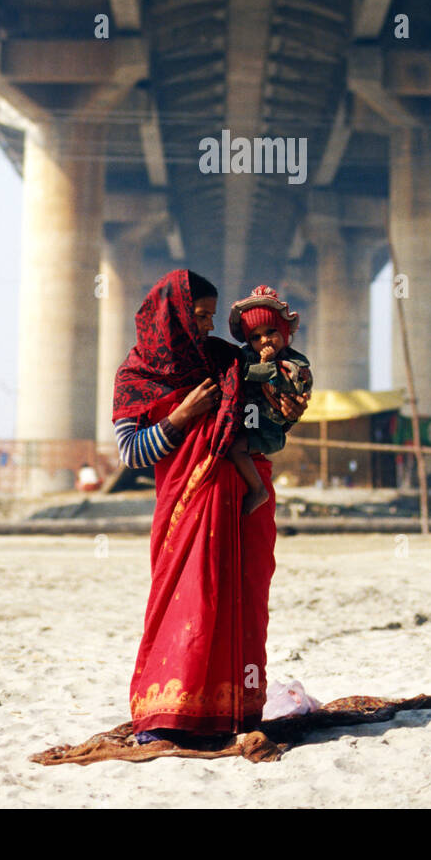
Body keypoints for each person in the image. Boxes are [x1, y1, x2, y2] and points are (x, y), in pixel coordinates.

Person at [112, 269, 308, 747]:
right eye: (198, 316)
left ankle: (235, 709)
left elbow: (273, 409)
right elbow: (132, 453)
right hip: (186, 505)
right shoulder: (136, 375)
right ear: (172, 315)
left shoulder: (224, 358)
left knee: (243, 599)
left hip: (244, 501)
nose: (205, 325)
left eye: (211, 316)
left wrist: (287, 381)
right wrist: (182, 417)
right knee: (191, 601)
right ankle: (169, 714)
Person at [226, 285, 313, 515]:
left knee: (236, 448)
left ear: (285, 333)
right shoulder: (245, 358)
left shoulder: (296, 365)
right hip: (250, 419)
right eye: (255, 337)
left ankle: (258, 490)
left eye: (271, 332)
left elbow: (294, 387)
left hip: (267, 429)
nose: (264, 340)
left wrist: (267, 366)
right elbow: (239, 378)